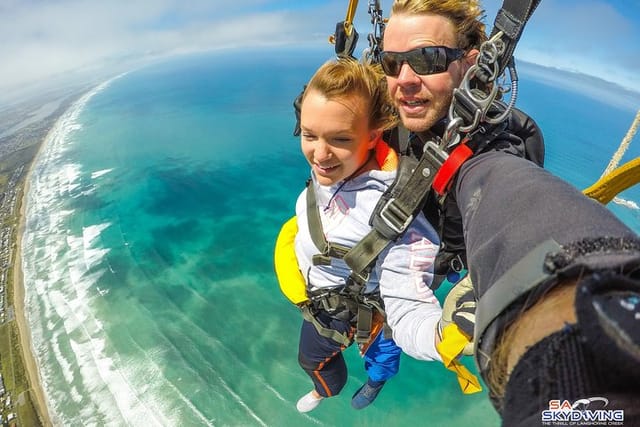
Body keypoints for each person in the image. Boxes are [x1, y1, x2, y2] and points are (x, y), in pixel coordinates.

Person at [379, 0, 640, 424]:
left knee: (388, 337)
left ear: (470, 64)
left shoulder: (489, 151)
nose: (404, 80)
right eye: (391, 63)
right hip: (410, 258)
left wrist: (579, 367)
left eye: (426, 60)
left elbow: (508, 193)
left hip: (449, 256)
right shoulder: (393, 116)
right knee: (377, 335)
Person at [287, 57, 450, 413]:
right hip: (324, 296)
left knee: (381, 358)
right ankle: (326, 390)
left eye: (340, 139)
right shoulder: (340, 164)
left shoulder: (393, 212)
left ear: (373, 135)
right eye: (309, 134)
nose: (319, 154)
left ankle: (373, 383)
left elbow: (409, 305)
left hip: (368, 307)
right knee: (311, 360)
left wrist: (443, 338)